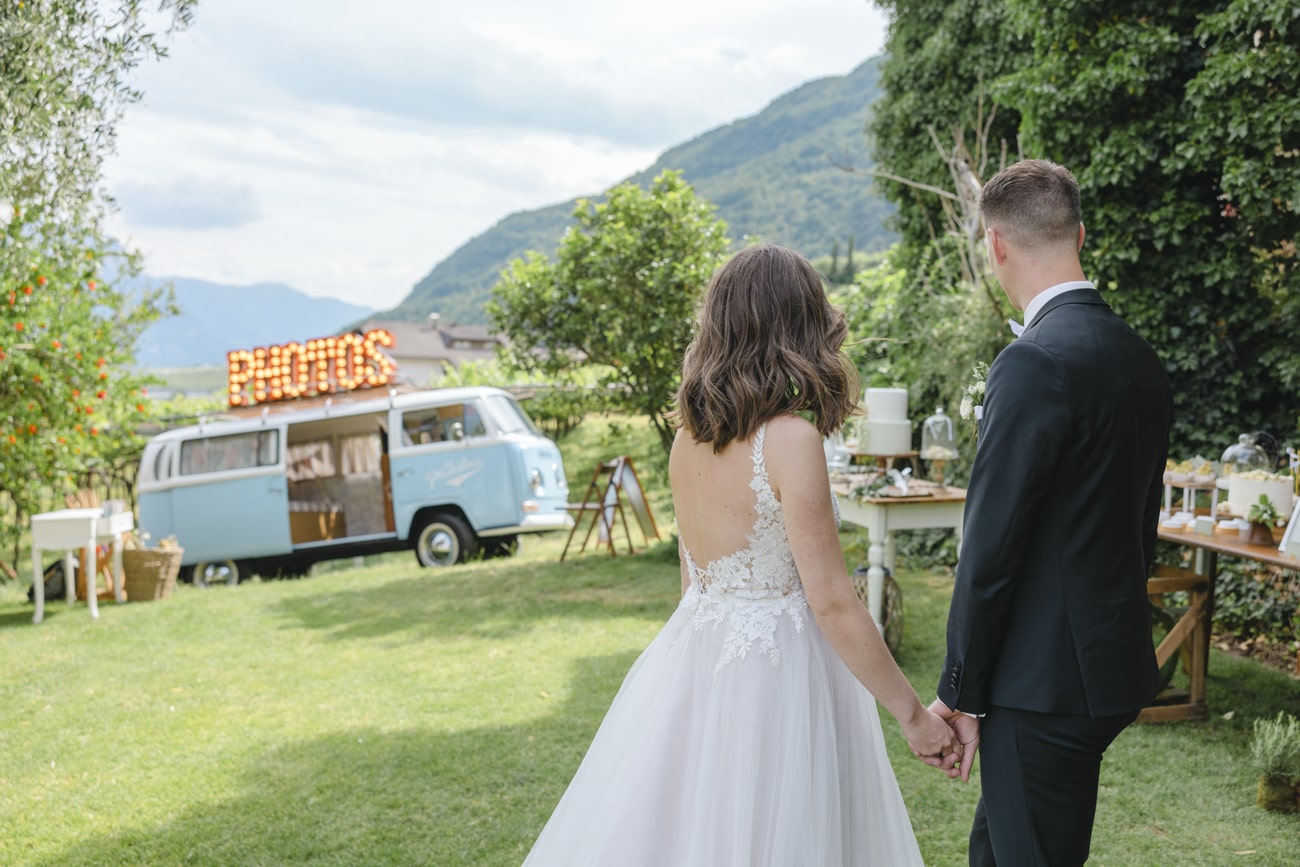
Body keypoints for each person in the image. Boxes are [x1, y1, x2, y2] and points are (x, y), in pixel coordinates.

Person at [522, 244, 957, 866]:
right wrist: (913, 716)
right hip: (779, 678)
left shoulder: (685, 441)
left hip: (697, 665)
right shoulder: (791, 439)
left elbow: (692, 581)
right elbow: (832, 600)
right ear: (800, 328)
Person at [928, 160, 1172, 866]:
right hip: (1105, 663)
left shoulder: (1032, 361)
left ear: (996, 245)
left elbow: (992, 547)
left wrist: (959, 690)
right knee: (998, 845)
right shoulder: (1141, 358)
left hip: (1044, 683)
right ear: (1081, 235)